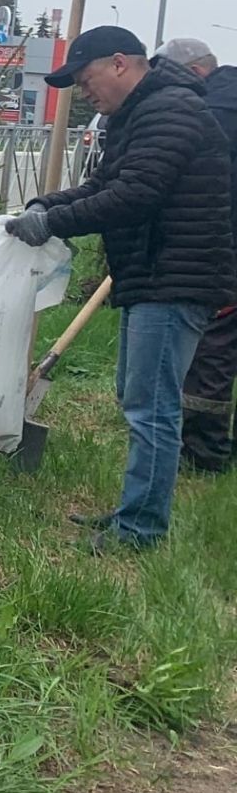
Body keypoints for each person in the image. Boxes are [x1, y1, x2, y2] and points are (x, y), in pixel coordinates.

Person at [9, 27, 235, 550]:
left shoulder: (169, 109)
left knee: (150, 405)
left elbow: (136, 194)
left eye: (86, 81)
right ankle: (133, 515)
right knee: (137, 397)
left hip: (173, 277)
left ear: (119, 64)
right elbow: (106, 184)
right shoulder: (138, 114)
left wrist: (56, 224)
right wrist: (50, 204)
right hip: (153, 275)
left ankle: (140, 529)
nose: (86, 93)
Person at [155, 37, 237, 475]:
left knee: (214, 350)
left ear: (196, 73)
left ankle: (204, 451)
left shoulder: (214, 114)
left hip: (223, 247)